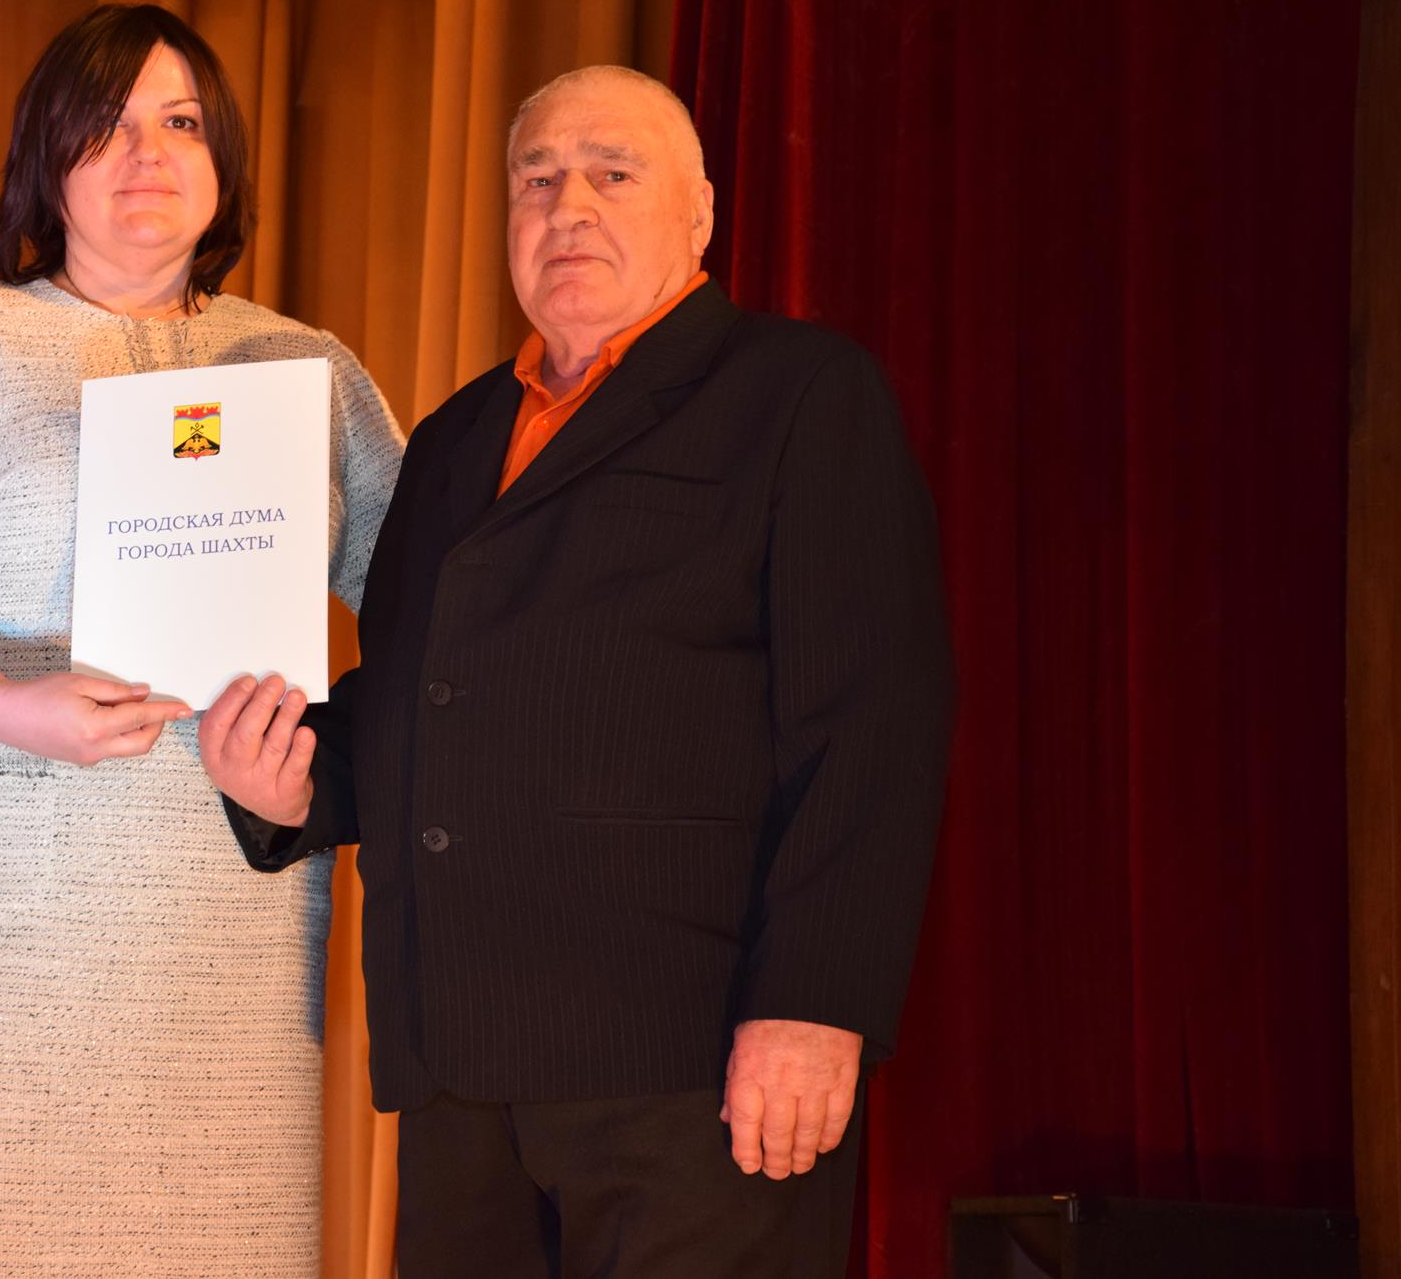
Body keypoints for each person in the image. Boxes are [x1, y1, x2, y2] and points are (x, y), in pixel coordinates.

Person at [200, 64, 954, 1278]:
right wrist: (291, 788)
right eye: (537, 180)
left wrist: (816, 1004)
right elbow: (416, 703)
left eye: (612, 174)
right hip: (459, 1071)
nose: (570, 208)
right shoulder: (450, 439)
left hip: (691, 1066)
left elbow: (869, 725)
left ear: (698, 217)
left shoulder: (799, 394)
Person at [0, 3, 402, 1277]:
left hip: (223, 953)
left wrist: (314, 783)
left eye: (179, 122)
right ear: (46, 159)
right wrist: (6, 704)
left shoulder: (306, 372)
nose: (147, 154)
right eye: (108, 125)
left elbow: (435, 619)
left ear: (222, 159)